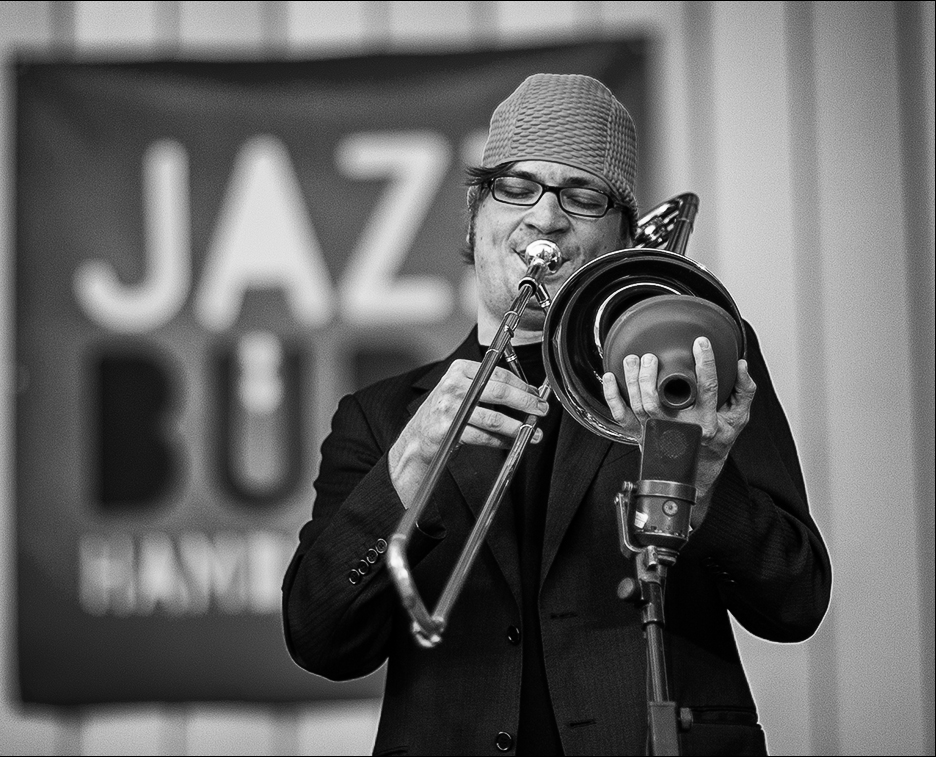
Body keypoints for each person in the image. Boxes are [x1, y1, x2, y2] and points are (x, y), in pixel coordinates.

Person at [282, 73, 830, 756]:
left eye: (582, 194)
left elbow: (796, 601)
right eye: (515, 187)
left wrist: (702, 486)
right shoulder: (381, 416)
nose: (544, 217)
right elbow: (319, 638)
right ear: (475, 219)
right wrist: (408, 464)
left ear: (624, 236)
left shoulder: (693, 357)